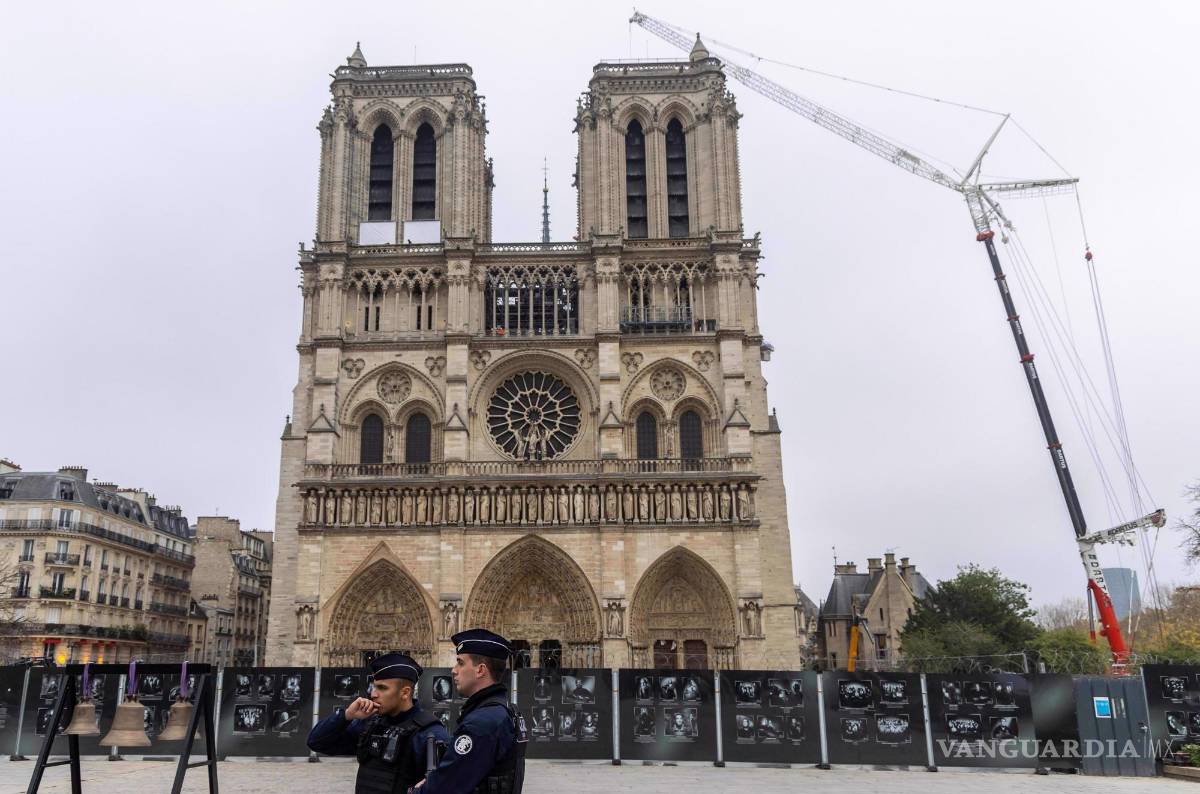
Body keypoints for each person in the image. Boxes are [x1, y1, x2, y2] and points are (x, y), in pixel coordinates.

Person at [307, 653, 450, 794]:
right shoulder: (370, 725)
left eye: (382, 688)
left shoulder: (430, 734)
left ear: (405, 693)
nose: (373, 694)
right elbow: (316, 742)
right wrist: (346, 715)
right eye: (374, 687)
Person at [413, 629, 527, 794]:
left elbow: (446, 788)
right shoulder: (508, 710)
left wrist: (419, 790)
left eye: (460, 663)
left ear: (480, 670)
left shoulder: (482, 722)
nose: (453, 670)